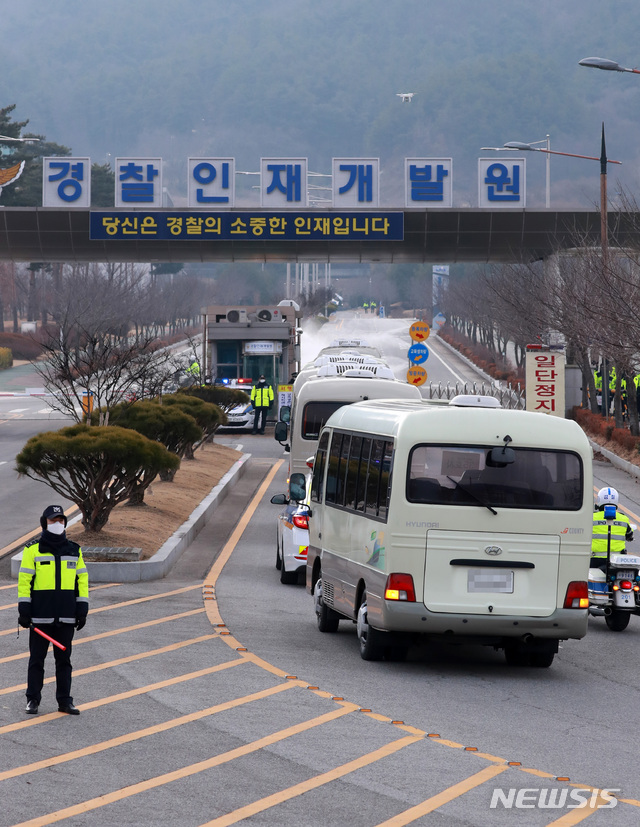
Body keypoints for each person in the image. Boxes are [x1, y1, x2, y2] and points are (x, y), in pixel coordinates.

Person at [18, 505, 89, 715]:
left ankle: (65, 701)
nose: (57, 524)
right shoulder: (32, 550)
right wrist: (24, 609)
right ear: (44, 523)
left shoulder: (74, 550)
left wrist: (82, 608)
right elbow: (25, 582)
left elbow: (81, 580)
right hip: (40, 617)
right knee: (36, 661)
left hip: (66, 617)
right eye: (52, 521)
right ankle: (33, 700)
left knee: (64, 661)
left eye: (60, 520)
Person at [591, 487, 633, 571]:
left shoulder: (592, 517)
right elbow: (630, 535)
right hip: (618, 561)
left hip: (595, 560)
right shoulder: (623, 518)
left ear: (599, 500)